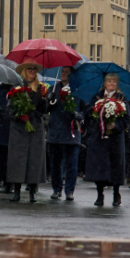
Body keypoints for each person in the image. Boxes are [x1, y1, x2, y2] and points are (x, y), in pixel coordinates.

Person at [5, 61, 49, 202]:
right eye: (29, 68)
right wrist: (19, 115)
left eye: (34, 69)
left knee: (35, 158)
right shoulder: (17, 87)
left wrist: (43, 98)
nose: (32, 71)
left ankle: (33, 190)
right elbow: (10, 109)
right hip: (19, 127)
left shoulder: (41, 88)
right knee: (17, 159)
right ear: (24, 71)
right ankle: (16, 191)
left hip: (35, 126)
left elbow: (45, 110)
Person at [84, 73, 129, 206]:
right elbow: (88, 114)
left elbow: (127, 119)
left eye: (114, 82)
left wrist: (115, 125)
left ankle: (116, 194)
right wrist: (95, 114)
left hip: (115, 140)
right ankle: (100, 195)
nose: (111, 84)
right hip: (100, 138)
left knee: (116, 166)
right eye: (109, 81)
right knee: (100, 166)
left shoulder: (121, 98)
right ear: (104, 83)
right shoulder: (97, 97)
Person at [46, 65, 81, 201]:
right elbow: (45, 109)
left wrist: (77, 115)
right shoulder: (53, 88)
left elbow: (85, 110)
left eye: (67, 72)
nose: (64, 74)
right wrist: (49, 100)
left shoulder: (77, 90)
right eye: (63, 72)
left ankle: (69, 191)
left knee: (72, 164)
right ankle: (56, 189)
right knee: (55, 163)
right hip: (56, 131)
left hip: (71, 132)